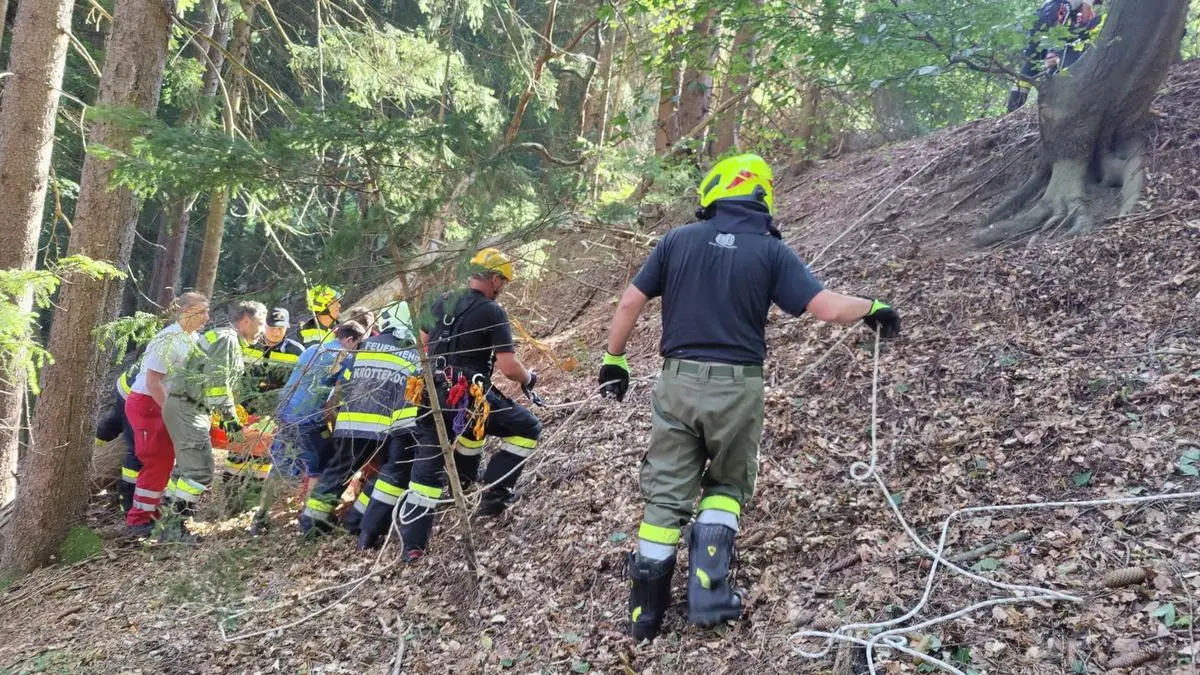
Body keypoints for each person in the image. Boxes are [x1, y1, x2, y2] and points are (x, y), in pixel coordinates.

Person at [598, 154, 902, 641]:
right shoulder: (770, 251)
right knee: (725, 484)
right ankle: (708, 596)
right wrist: (874, 306)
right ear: (762, 196)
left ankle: (644, 616)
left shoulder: (676, 240)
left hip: (676, 381)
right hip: (737, 385)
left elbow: (631, 300)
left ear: (714, 192)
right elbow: (824, 307)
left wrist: (614, 360)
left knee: (665, 497)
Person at [396, 248, 542, 562]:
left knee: (427, 464)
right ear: (492, 278)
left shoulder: (440, 300)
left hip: (431, 392)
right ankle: (493, 495)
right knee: (527, 427)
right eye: (502, 281)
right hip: (468, 392)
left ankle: (414, 547)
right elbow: (508, 366)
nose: (502, 288)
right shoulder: (492, 312)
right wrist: (529, 379)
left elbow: (422, 342)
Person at [299, 302, 421, 536]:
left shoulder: (362, 346)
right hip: (384, 427)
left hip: (350, 424)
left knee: (336, 475)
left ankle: (310, 525)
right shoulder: (413, 355)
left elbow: (343, 382)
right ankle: (357, 520)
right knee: (385, 474)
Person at [157, 301, 266, 538]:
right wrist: (230, 420)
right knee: (198, 471)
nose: (262, 329)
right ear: (246, 320)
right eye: (260, 323)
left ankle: (167, 525)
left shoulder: (225, 339)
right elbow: (218, 384)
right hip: (188, 408)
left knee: (185, 471)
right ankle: (174, 529)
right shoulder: (227, 340)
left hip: (189, 407)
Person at [251, 321, 366, 534]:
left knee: (279, 468)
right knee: (319, 466)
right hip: (309, 418)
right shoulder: (344, 358)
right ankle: (310, 519)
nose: (357, 350)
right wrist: (334, 427)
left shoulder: (313, 348)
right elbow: (334, 401)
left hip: (285, 413)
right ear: (349, 340)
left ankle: (260, 518)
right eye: (357, 344)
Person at [125, 293, 210, 535]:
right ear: (185, 311)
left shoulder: (193, 338)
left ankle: (156, 511)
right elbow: (153, 382)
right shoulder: (168, 340)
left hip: (171, 404)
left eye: (207, 310)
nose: (207, 317)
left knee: (170, 461)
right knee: (157, 460)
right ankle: (139, 520)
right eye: (202, 311)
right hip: (149, 404)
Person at [225, 307, 306, 478]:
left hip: (272, 414)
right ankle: (230, 498)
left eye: (281, 328)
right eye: (272, 327)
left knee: (261, 460)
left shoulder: (297, 352)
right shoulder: (247, 344)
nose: (276, 332)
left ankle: (251, 498)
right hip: (243, 411)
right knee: (236, 457)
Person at [1007, 0, 1104, 112]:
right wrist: (1084, 29)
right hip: (1058, 10)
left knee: (1032, 63)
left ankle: (1013, 108)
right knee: (1058, 50)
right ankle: (1052, 99)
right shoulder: (1072, 5)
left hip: (1044, 13)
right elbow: (1085, 15)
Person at [95, 358, 141, 512]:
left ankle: (95, 447)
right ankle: (127, 497)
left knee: (116, 419)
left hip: (127, 384)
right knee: (136, 447)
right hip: (136, 393)